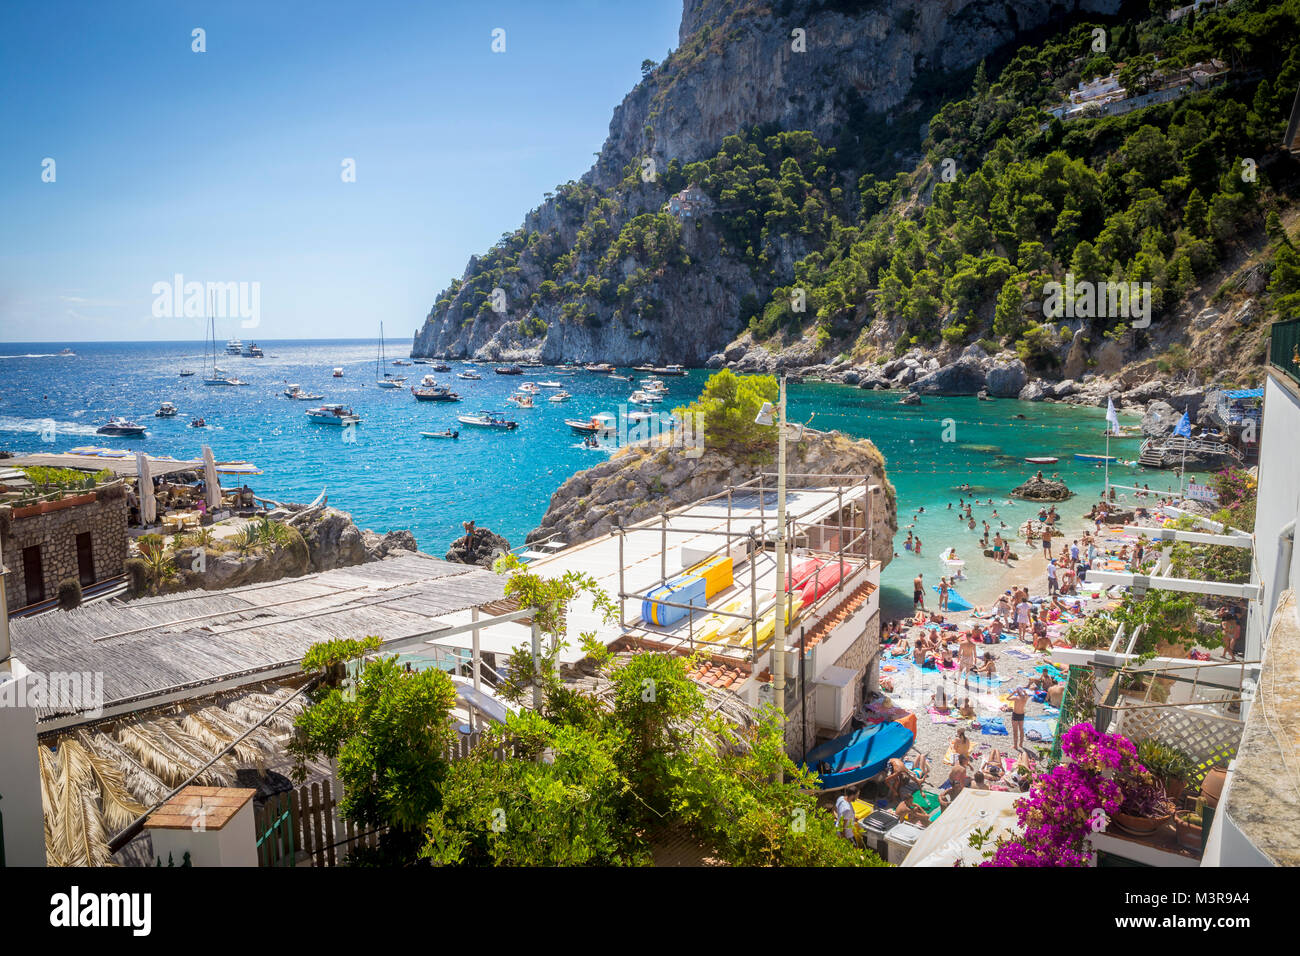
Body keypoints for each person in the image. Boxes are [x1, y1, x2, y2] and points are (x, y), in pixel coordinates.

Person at [1009, 686, 1030, 750]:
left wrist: (1013, 693)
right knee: (1021, 730)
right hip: (1021, 714)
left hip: (1015, 715)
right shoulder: (1025, 698)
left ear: (1017, 691)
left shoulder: (1016, 697)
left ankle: (1015, 746)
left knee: (1015, 731)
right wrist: (1025, 692)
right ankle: (1021, 744)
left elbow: (1008, 698)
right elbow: (1027, 695)